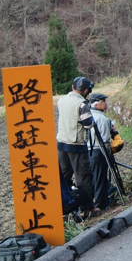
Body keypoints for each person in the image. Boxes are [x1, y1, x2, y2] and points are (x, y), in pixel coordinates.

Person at [56, 76, 93, 216]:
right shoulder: (82, 104)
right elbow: (88, 124)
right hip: (76, 144)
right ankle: (88, 207)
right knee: (83, 176)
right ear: (85, 90)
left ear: (73, 87)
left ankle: (65, 205)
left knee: (65, 176)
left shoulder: (61, 100)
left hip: (61, 143)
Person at [85, 93, 120, 210]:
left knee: (95, 176)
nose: (106, 104)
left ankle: (98, 201)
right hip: (99, 151)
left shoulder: (88, 116)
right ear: (98, 103)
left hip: (88, 151)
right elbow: (105, 139)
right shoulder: (102, 118)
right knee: (100, 177)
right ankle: (100, 204)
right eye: (104, 101)